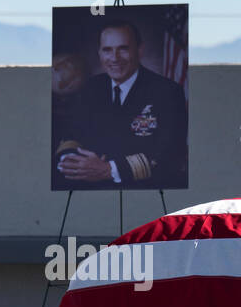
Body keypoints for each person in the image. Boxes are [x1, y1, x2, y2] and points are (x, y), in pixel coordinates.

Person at [54, 20, 188, 190]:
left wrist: (109, 170)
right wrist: (73, 163)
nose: (114, 58)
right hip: (91, 191)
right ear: (99, 53)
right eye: (107, 50)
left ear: (140, 50)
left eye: (123, 49)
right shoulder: (89, 88)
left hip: (144, 190)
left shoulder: (167, 92)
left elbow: (171, 154)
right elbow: (70, 135)